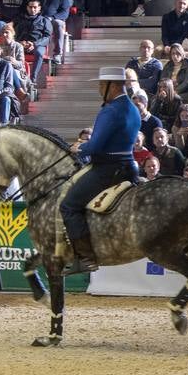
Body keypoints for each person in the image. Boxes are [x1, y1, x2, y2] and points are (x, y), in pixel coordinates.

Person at [60, 68, 142, 273]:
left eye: (101, 85)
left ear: (112, 86)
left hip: (108, 169)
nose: (98, 89)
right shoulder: (133, 108)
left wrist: (79, 148)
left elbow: (96, 146)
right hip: (130, 167)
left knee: (69, 205)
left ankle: (85, 258)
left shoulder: (111, 110)